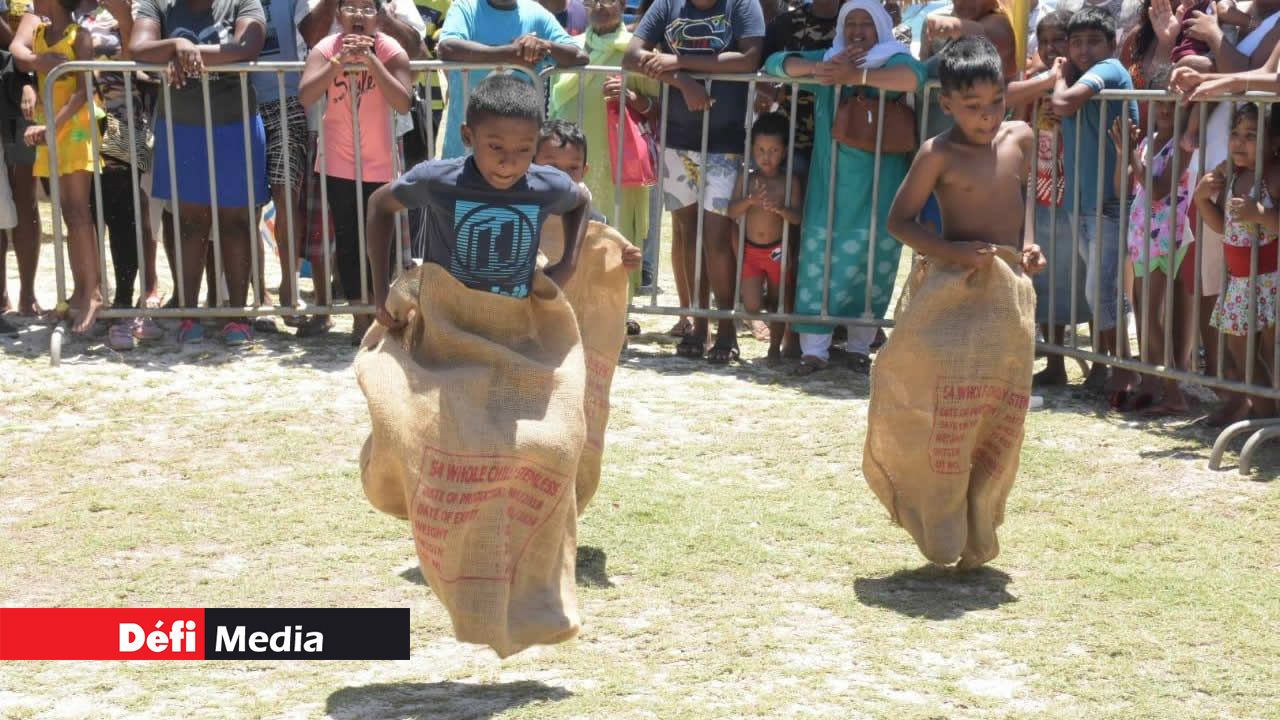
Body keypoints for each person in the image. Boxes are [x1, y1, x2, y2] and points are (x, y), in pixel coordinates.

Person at [764, 0, 924, 376]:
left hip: (880, 184)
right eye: (849, 22)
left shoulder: (894, 58)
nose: (856, 30)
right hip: (830, 181)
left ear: (881, 27)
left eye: (865, 24)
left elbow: (913, 77)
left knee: (873, 263)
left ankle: (858, 347)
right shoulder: (830, 58)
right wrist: (821, 69)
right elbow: (774, 64)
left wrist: (858, 78)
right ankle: (814, 351)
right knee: (821, 261)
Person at [364, 74, 593, 330]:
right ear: (467, 136)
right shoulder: (437, 180)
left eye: (524, 149)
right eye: (495, 147)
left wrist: (568, 264)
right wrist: (381, 292)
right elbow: (379, 204)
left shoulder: (547, 184)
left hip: (512, 324)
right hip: (445, 324)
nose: (509, 162)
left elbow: (580, 201)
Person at [625, 0, 765, 363]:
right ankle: (698, 325)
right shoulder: (667, 4)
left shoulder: (742, 6)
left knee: (717, 238)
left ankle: (725, 326)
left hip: (725, 141)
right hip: (677, 138)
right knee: (687, 234)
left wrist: (680, 60)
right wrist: (681, 80)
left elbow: (749, 59)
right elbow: (632, 55)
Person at [130, 0, 269, 346]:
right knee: (190, 222)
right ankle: (188, 314)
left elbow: (249, 46)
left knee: (237, 221)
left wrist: (186, 56)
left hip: (235, 122)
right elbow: (139, 49)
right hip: (181, 125)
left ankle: (237, 317)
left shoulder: (242, 2)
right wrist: (177, 45)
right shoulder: (157, 3)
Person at [298, 0, 413, 343]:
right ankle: (359, 315)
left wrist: (372, 62)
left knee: (381, 241)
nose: (359, 15)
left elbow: (403, 100)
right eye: (351, 7)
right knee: (347, 240)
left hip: (380, 163)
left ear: (378, 17)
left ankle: (381, 310)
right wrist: (338, 64)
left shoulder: (391, 49)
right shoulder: (326, 48)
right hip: (337, 162)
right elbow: (306, 95)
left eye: (367, 8)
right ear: (338, 15)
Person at [1050, 5, 1140, 403]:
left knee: (1103, 291)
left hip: (1109, 202)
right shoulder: (1082, 73)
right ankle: (1107, 368)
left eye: (1093, 41)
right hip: (1086, 202)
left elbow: (1064, 104)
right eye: (1076, 42)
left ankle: (1123, 372)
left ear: (1111, 44)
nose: (1083, 49)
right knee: (1097, 292)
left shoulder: (1109, 70)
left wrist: (1055, 80)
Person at [1005, 8, 1092, 387]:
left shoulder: (1089, 80)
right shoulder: (1033, 80)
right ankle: (1054, 362)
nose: (1053, 47)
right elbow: (1018, 115)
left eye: (1062, 39)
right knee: (1048, 277)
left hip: (1081, 189)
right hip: (1041, 188)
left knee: (1087, 276)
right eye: (1047, 40)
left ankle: (1101, 363)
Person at [548, 0, 657, 292]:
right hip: (569, 163)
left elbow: (659, 110)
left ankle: (619, 311)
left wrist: (631, 97)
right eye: (593, 0)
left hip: (619, 162)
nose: (600, 5)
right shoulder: (569, 47)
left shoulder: (636, 52)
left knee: (618, 229)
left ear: (622, 4)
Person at [12, 0, 102, 334]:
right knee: (68, 214)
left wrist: (52, 126)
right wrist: (33, 86)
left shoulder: (80, 37)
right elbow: (21, 56)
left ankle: (92, 293)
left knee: (79, 212)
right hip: (50, 129)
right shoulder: (39, 33)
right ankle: (77, 294)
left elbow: (82, 92)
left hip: (74, 130)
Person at [1111, 67, 1194, 414]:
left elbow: (1158, 191)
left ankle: (1173, 392)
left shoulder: (1183, 146)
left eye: (1173, 105)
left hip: (1165, 239)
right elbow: (1123, 188)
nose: (1165, 111)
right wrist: (1124, 154)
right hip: (1142, 238)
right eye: (1160, 104)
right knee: (1144, 312)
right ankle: (1154, 381)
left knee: (1151, 313)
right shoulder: (1146, 143)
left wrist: (1132, 156)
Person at [1194, 105, 1280, 426]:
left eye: (1252, 135)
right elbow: (1223, 226)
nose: (1240, 142)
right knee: (1240, 352)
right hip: (1241, 281)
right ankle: (1266, 416)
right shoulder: (1232, 174)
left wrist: (1261, 215)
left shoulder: (1272, 175)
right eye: (1235, 133)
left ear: (1273, 142)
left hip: (1269, 281)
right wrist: (1202, 199)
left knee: (1272, 352)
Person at [436, 0, 587, 160]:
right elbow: (447, 48)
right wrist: (508, 54)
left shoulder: (536, 13)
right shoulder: (465, 7)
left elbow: (580, 56)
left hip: (518, 157)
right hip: (464, 151)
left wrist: (544, 45)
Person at [533, 118, 644, 317]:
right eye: (552, 167)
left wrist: (626, 260)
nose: (563, 178)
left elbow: (605, 267)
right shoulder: (519, 211)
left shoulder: (596, 223)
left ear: (584, 171)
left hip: (575, 316)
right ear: (531, 166)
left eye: (572, 169)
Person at [252, 0, 313, 334]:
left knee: (287, 193)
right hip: (240, 99)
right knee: (247, 202)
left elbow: (312, 31)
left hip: (288, 97)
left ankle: (289, 288)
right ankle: (259, 293)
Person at [724, 112, 802, 366]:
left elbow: (797, 218)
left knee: (779, 302)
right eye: (761, 150)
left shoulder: (790, 181)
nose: (766, 157)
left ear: (785, 151)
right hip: (751, 251)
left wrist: (781, 209)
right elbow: (731, 212)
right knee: (753, 305)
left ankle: (774, 347)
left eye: (774, 150)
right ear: (752, 149)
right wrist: (750, 200)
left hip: (777, 249)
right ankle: (766, 312)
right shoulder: (747, 179)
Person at [0, 0, 42, 325]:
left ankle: (27, 294)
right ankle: (1, 294)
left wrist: (28, 77)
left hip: (25, 98)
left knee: (25, 197)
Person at [762, 0, 840, 169]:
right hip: (793, 138)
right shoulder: (786, 23)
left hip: (839, 136)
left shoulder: (855, 20)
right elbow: (757, 65)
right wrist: (771, 93)